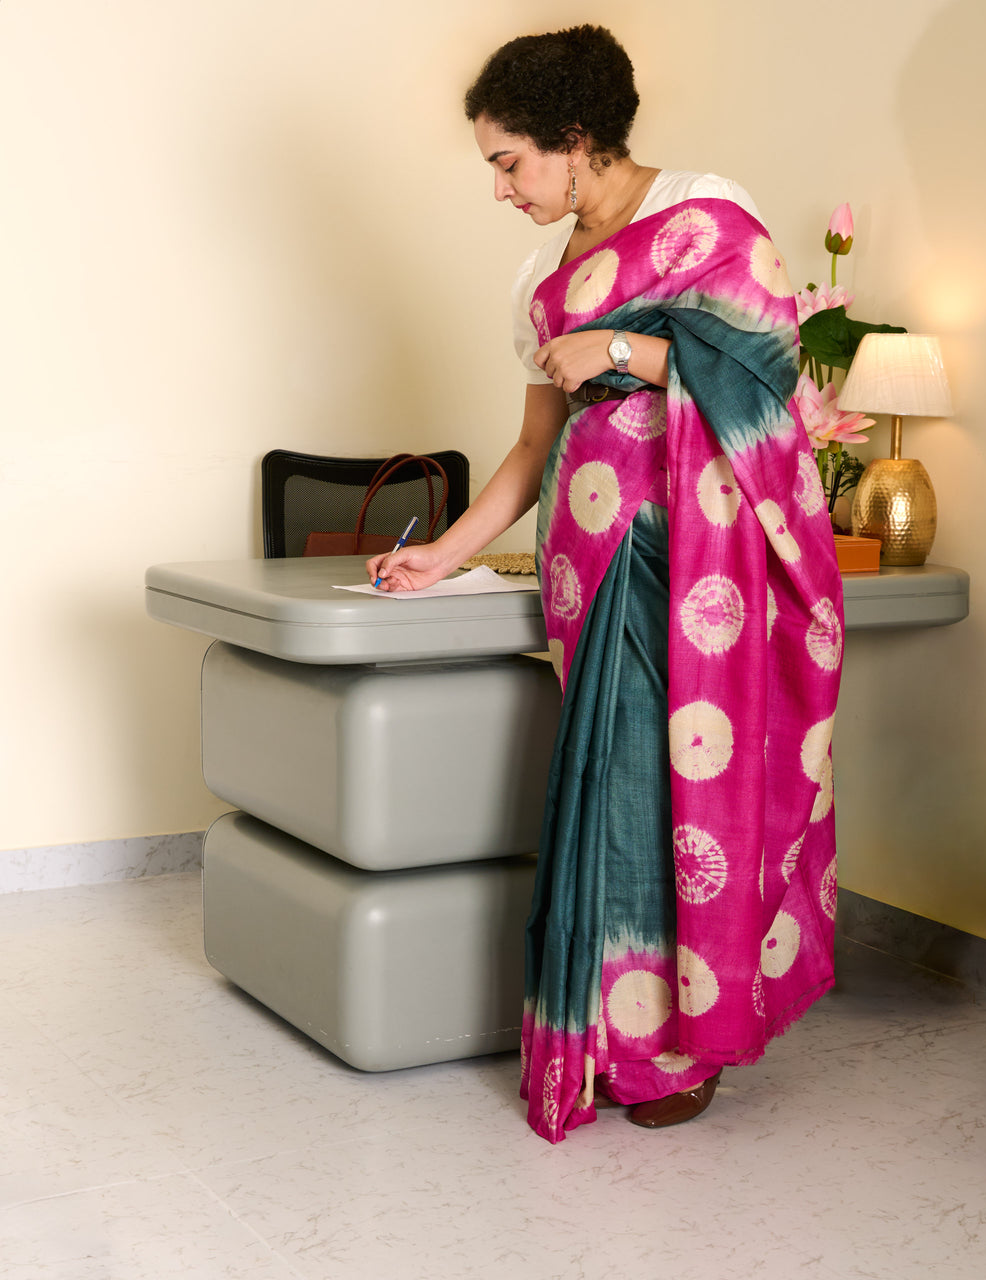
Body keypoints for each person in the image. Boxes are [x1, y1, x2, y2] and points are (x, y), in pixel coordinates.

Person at [367, 25, 843, 1145]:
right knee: (611, 792)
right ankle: (606, 1031)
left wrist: (624, 352)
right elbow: (534, 448)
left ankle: (683, 1043)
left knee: (678, 792)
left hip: (696, 562)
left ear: (576, 138)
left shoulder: (704, 213)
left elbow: (772, 379)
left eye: (509, 161)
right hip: (585, 564)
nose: (500, 189)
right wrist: (444, 551)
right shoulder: (541, 279)